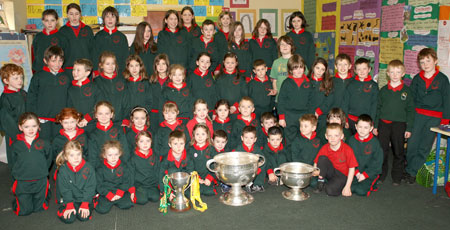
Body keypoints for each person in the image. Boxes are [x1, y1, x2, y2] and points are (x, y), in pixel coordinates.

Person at [405, 48, 450, 184]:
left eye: (428, 61)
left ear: (435, 61)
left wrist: (445, 120)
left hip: (434, 118)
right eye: (422, 62)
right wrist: (409, 116)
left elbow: (447, 99)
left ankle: (412, 172)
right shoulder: (417, 79)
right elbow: (411, 99)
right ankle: (409, 168)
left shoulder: (443, 79)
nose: (425, 64)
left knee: (424, 146)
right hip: (418, 115)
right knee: (412, 144)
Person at [374, 60, 414, 185]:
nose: (395, 75)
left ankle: (397, 176)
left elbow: (410, 111)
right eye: (392, 72)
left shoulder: (407, 91)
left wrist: (409, 128)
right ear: (387, 74)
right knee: (382, 150)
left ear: (403, 73)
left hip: (399, 125)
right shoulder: (383, 90)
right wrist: (375, 125)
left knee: (398, 151)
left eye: (398, 72)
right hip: (383, 124)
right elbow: (378, 109)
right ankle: (380, 175)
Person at [10, 112, 52, 216]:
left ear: (38, 126)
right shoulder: (16, 145)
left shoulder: (44, 143)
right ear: (20, 127)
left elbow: (49, 159)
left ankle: (47, 193)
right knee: (24, 211)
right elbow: (13, 162)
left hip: (40, 180)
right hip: (23, 181)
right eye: (26, 126)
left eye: (34, 126)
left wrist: (42, 171)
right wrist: (17, 175)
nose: (31, 129)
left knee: (40, 209)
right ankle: (19, 201)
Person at [27, 45, 71, 140]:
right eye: (53, 61)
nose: (57, 64)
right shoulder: (38, 77)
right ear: (45, 61)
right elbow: (31, 97)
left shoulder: (67, 77)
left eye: (60, 61)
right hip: (42, 119)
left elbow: (70, 98)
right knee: (44, 145)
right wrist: (34, 118)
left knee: (59, 145)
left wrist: (68, 117)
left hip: (60, 120)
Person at [55, 140, 96, 224]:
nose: (76, 158)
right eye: (72, 155)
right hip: (70, 199)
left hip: (84, 198)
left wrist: (85, 204)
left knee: (83, 218)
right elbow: (65, 189)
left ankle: (90, 203)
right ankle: (63, 209)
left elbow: (90, 187)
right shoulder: (63, 170)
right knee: (69, 219)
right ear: (66, 157)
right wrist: (69, 205)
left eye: (78, 154)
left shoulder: (89, 168)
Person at [312, 123, 358, 197]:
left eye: (336, 136)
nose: (333, 138)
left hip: (342, 176)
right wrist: (315, 170)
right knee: (322, 158)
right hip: (331, 172)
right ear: (326, 136)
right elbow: (316, 162)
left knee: (330, 191)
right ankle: (320, 182)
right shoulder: (325, 147)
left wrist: (347, 186)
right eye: (330, 136)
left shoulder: (347, 149)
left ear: (342, 136)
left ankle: (334, 184)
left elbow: (352, 168)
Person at [277, 54, 313, 144]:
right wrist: (281, 117)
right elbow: (281, 100)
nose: (299, 70)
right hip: (290, 116)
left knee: (304, 140)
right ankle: (290, 158)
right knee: (290, 141)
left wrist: (311, 117)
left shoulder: (308, 83)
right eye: (295, 68)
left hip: (305, 115)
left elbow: (311, 101)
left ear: (304, 68)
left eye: (301, 67)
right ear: (290, 70)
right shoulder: (286, 83)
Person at [95, 140, 134, 214]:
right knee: (101, 210)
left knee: (128, 204)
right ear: (104, 155)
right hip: (106, 192)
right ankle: (108, 200)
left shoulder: (124, 166)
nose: (113, 157)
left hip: (119, 190)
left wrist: (120, 193)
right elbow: (99, 185)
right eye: (110, 155)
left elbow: (126, 181)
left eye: (116, 154)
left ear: (120, 154)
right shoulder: (100, 168)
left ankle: (116, 200)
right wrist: (108, 194)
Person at [348, 115, 383, 196]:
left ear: (371, 128)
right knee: (351, 189)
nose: (362, 130)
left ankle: (373, 183)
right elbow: (349, 159)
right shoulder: (351, 140)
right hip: (355, 172)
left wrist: (365, 175)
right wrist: (356, 173)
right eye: (360, 127)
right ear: (356, 126)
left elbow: (377, 163)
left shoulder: (375, 143)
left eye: (366, 127)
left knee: (361, 191)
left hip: (369, 173)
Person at [0, 64, 27, 170]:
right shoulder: (5, 98)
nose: (20, 80)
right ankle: (16, 181)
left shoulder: (23, 93)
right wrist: (18, 133)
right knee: (15, 156)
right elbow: (7, 121)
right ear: (6, 81)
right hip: (15, 134)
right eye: (16, 78)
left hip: (28, 130)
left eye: (21, 77)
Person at [87, 101, 129, 167]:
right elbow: (92, 157)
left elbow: (125, 151)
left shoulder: (118, 130)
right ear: (96, 115)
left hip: (119, 167)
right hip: (100, 169)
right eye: (100, 113)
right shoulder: (93, 134)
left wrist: (124, 167)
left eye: (106, 113)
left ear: (111, 115)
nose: (103, 116)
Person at [343, 58, 379, 134]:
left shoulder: (374, 86)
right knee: (350, 142)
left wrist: (372, 121)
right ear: (355, 71)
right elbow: (345, 102)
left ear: (369, 69)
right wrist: (345, 119)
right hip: (351, 120)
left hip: (366, 122)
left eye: (364, 69)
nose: (362, 71)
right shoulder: (350, 84)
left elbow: (374, 105)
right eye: (359, 69)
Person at [68, 59, 104, 129]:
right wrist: (76, 119)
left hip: (94, 124)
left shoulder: (95, 87)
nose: (75, 72)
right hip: (77, 124)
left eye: (78, 70)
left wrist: (87, 118)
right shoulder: (71, 89)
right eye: (74, 70)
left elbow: (99, 105)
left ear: (87, 73)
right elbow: (69, 107)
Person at [93, 51, 128, 123]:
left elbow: (127, 101)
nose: (111, 66)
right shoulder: (96, 82)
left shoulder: (122, 80)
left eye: (113, 63)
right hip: (104, 120)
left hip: (121, 120)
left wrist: (126, 118)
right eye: (107, 64)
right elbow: (96, 102)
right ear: (101, 65)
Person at [93, 6, 128, 73]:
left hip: (119, 73)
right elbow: (94, 56)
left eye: (112, 17)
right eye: (107, 17)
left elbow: (125, 57)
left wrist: (125, 72)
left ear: (116, 19)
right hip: (102, 73)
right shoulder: (98, 36)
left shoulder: (122, 37)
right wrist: (96, 71)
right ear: (103, 19)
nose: (110, 19)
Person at [59, 3, 94, 70]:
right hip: (68, 68)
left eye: (76, 14)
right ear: (67, 15)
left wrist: (93, 68)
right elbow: (60, 52)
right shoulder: (62, 31)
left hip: (86, 68)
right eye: (71, 14)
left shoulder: (88, 29)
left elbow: (92, 50)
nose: (74, 17)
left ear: (80, 15)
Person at [129, 131, 160, 204]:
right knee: (142, 200)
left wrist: (160, 188)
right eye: (141, 141)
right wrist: (132, 190)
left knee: (155, 198)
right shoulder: (133, 158)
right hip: (139, 185)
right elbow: (130, 175)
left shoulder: (155, 156)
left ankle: (149, 192)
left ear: (151, 142)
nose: (145, 144)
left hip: (152, 185)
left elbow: (158, 172)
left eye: (148, 141)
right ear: (137, 143)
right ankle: (141, 193)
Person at [159, 130, 194, 194]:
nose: (179, 147)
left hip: (184, 184)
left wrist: (192, 187)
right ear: (170, 145)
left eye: (181, 143)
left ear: (184, 144)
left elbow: (191, 172)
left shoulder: (188, 157)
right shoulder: (165, 159)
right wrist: (164, 191)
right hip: (171, 185)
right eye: (175, 144)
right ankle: (172, 193)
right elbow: (161, 176)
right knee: (172, 170)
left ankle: (184, 191)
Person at [31, 9, 66, 73]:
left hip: (55, 72)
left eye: (52, 20)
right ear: (43, 21)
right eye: (47, 20)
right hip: (39, 70)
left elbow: (65, 56)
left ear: (56, 21)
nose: (50, 23)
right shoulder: (38, 37)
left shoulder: (62, 37)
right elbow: (34, 54)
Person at [187, 124, 217, 196]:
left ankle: (209, 185)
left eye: (203, 134)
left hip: (207, 175)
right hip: (196, 176)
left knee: (209, 192)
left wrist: (209, 178)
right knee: (196, 192)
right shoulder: (190, 149)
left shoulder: (211, 149)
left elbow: (215, 166)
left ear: (207, 136)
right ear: (193, 135)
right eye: (197, 134)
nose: (200, 137)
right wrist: (197, 178)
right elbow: (189, 166)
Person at [234, 126, 265, 193]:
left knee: (263, 167)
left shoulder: (257, 149)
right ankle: (245, 184)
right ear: (242, 138)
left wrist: (258, 168)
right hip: (243, 170)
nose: (248, 140)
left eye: (251, 138)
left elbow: (263, 160)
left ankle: (258, 184)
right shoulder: (239, 149)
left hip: (254, 170)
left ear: (255, 139)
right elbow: (235, 160)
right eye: (246, 137)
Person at [308, 58, 334, 129]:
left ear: (325, 71)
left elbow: (329, 100)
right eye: (317, 68)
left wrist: (319, 111)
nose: (319, 71)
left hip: (323, 116)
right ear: (313, 67)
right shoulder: (306, 81)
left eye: (322, 69)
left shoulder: (328, 83)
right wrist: (311, 112)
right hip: (309, 115)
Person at [149, 54, 170, 133]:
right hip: (154, 114)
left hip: (168, 115)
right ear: (155, 66)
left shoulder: (171, 80)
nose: (161, 66)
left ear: (167, 65)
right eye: (158, 64)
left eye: (163, 64)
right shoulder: (151, 81)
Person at [270, 35, 295, 102]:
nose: (285, 46)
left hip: (294, 97)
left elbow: (305, 77)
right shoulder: (276, 62)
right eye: (282, 44)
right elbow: (274, 80)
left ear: (291, 46)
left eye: (287, 44)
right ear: (279, 47)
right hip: (280, 98)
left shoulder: (297, 60)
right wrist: (275, 91)